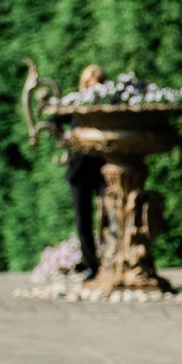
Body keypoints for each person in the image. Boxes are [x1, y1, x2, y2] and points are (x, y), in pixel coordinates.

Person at [63, 65, 107, 277]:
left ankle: (110, 260)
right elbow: (55, 119)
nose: (93, 85)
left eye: (97, 81)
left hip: (102, 169)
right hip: (79, 170)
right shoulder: (75, 106)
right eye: (90, 81)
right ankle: (91, 264)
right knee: (83, 221)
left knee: (108, 216)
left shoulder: (108, 106)